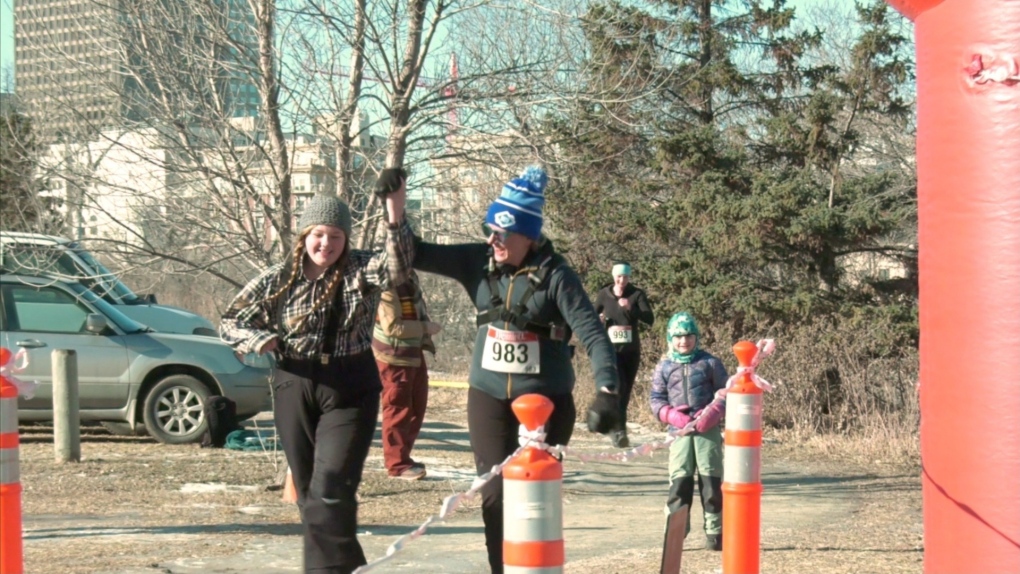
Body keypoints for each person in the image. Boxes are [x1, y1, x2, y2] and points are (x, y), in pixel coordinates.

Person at [412, 166, 621, 573]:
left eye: (502, 233)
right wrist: (394, 208)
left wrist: (608, 390)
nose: (493, 240)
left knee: (535, 494)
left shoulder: (558, 276)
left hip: (547, 402)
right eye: (489, 230)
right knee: (494, 494)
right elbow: (416, 252)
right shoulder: (477, 260)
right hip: (487, 395)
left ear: (529, 236)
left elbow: (594, 335)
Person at [219, 169, 413, 574]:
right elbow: (230, 321)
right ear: (305, 235)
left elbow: (397, 267)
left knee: (332, 490)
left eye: (336, 236)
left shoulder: (361, 271)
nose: (326, 243)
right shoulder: (278, 279)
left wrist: (395, 210)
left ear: (346, 241)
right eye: (319, 234)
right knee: (310, 495)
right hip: (294, 383)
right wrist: (258, 340)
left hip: (349, 386)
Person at [649, 312, 729, 551]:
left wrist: (714, 413)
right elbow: (655, 399)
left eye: (688, 336)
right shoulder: (664, 366)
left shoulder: (710, 363)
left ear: (696, 337)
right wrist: (669, 415)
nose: (683, 341)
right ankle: (675, 533)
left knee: (711, 483)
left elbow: (727, 393)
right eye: (678, 337)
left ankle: (715, 532)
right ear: (670, 338)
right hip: (679, 433)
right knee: (680, 483)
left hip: (708, 431)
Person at [371, 269, 440, 480]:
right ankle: (396, 464)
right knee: (398, 408)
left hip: (412, 352)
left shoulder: (409, 277)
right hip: (393, 357)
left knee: (416, 407)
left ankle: (403, 458)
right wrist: (425, 327)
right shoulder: (387, 282)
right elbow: (393, 327)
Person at [594, 262, 654, 448]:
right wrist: (600, 319)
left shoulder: (636, 294)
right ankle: (619, 433)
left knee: (626, 392)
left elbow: (649, 319)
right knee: (618, 389)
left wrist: (630, 309)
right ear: (614, 277)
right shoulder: (604, 295)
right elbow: (590, 315)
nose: (622, 280)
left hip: (631, 352)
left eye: (626, 277)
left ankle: (618, 430)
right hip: (611, 352)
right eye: (619, 276)